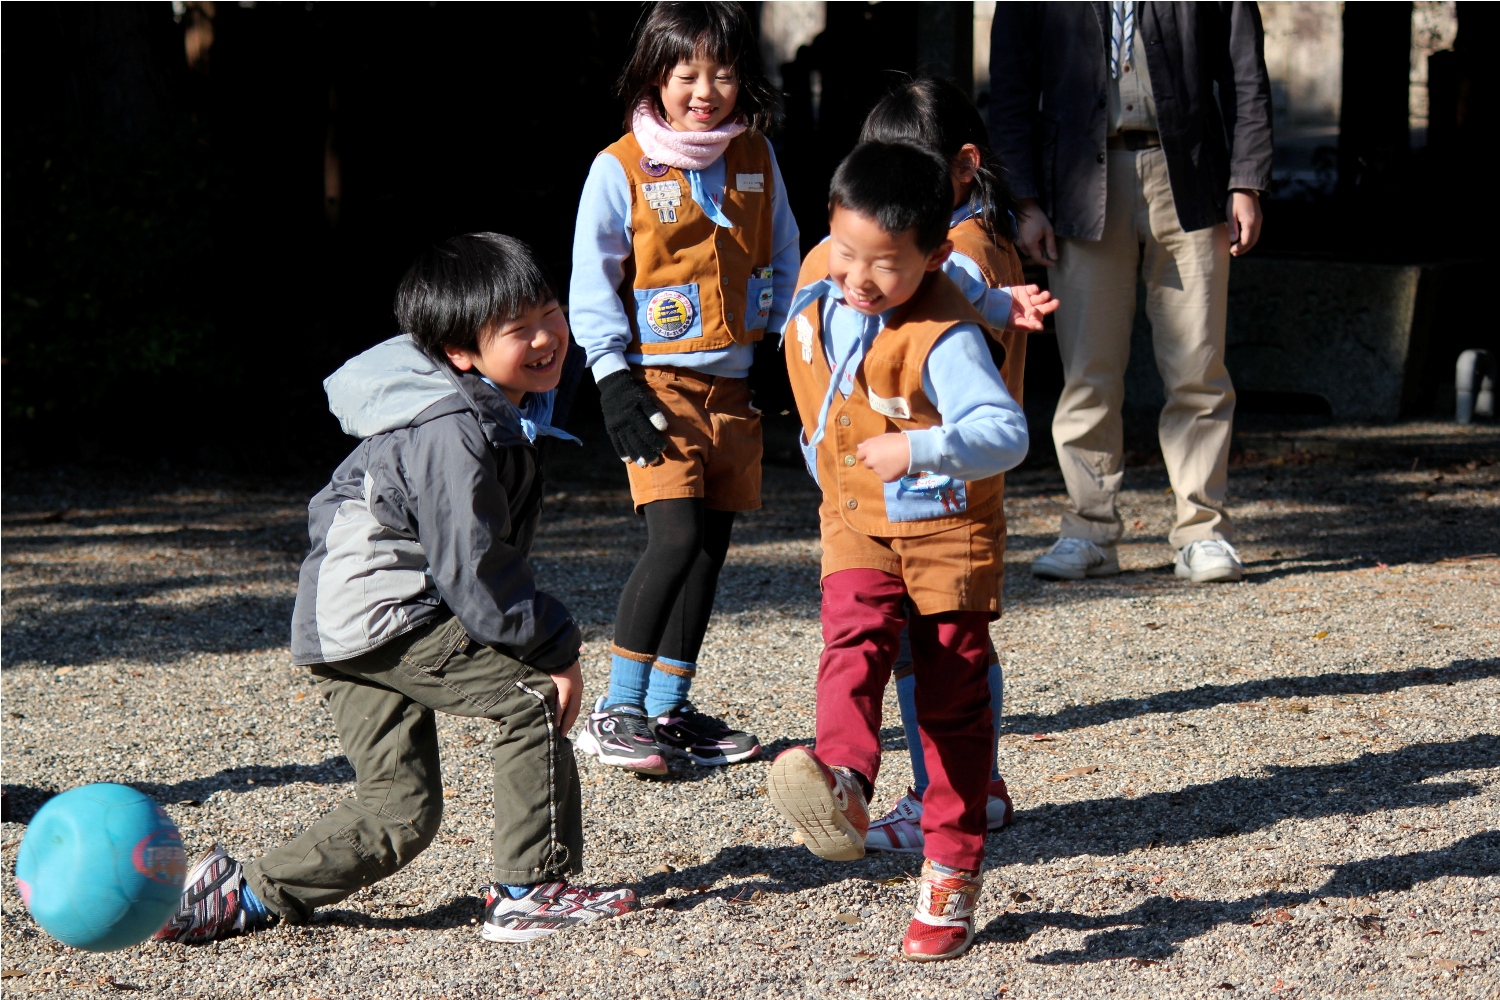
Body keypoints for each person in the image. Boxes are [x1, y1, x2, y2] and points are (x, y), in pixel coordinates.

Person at [154, 234, 637, 945]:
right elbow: (474, 568)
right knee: (532, 698)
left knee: (398, 811)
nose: (545, 337)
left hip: (342, 624)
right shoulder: (452, 429)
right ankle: (531, 891)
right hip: (389, 617)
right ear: (460, 351)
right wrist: (556, 649)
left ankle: (242, 894)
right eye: (518, 328)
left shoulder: (486, 408)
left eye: (550, 312)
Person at [767, 141, 1033, 962]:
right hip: (858, 516)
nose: (859, 276)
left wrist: (919, 448)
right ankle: (844, 781)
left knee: (950, 701)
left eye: (885, 264)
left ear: (933, 256)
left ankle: (951, 872)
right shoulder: (829, 267)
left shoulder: (944, 337)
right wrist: (1002, 299)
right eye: (846, 251)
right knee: (850, 639)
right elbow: (839, 280)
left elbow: (1006, 432)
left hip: (947, 531)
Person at [569, 1, 799, 774]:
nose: (706, 91)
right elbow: (592, 284)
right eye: (687, 74)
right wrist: (612, 382)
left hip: (736, 390)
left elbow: (787, 254)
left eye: (723, 73)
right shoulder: (620, 167)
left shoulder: (757, 157)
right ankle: (617, 709)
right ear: (654, 76)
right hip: (657, 389)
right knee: (672, 541)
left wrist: (781, 347)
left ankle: (669, 708)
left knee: (708, 552)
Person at [989, 2, 1273, 583]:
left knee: (1198, 367)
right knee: (1088, 370)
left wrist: (1246, 181)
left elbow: (1245, 70)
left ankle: (1203, 530)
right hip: (1080, 177)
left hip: (1188, 170)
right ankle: (1089, 528)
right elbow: (1011, 84)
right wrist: (1024, 199)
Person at [854, 77, 1057, 855]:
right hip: (964, 469)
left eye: (910, 169)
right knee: (955, 637)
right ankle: (981, 787)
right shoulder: (986, 233)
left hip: (935, 472)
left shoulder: (951, 252)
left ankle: (943, 795)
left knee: (929, 643)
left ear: (963, 166)